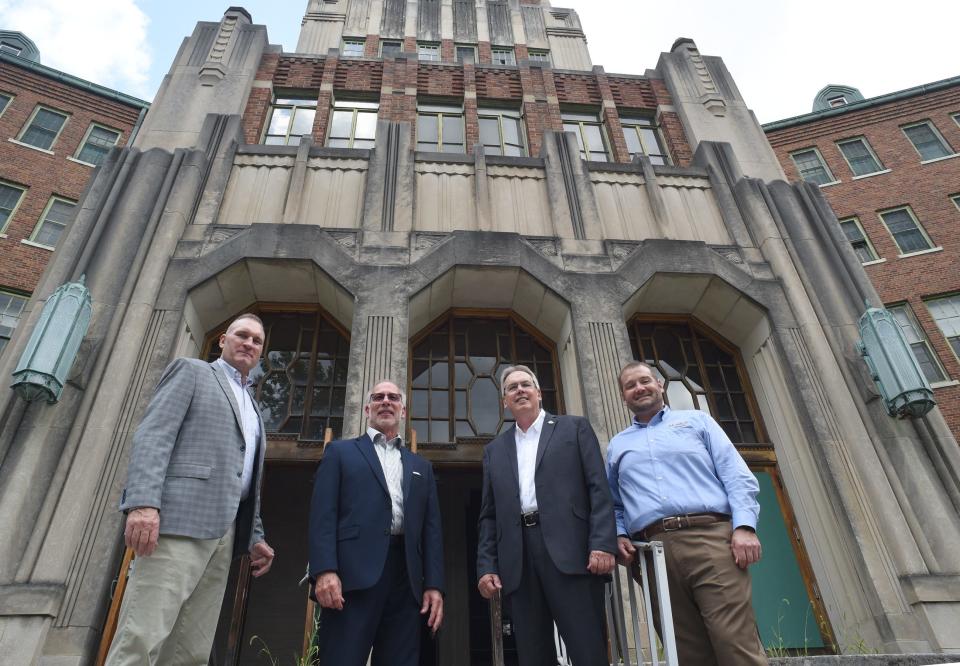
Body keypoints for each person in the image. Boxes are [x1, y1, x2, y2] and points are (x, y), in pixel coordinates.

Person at [108, 313, 275, 665]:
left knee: (190, 650)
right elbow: (154, 437)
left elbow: (244, 478)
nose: (248, 343)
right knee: (142, 635)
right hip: (177, 522)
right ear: (222, 340)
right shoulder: (192, 371)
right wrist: (143, 504)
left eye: (256, 341)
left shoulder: (255, 408)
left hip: (224, 536)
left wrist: (254, 535)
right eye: (241, 335)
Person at [608, 360, 767, 665]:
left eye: (644, 381)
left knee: (735, 642)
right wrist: (618, 534)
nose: (639, 388)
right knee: (684, 651)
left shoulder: (698, 422)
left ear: (660, 384)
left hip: (710, 537)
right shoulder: (617, 446)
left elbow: (736, 475)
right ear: (623, 396)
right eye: (630, 385)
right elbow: (614, 503)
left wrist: (744, 527)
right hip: (654, 550)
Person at [477, 364, 617, 666]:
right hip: (519, 559)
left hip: (573, 553)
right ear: (505, 402)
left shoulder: (574, 428)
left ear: (539, 392)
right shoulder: (494, 450)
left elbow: (599, 489)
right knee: (533, 655)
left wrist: (603, 543)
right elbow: (489, 515)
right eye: (511, 388)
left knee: (587, 650)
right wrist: (486, 565)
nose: (519, 391)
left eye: (525, 384)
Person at [308, 380, 444, 666]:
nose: (386, 401)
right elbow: (323, 515)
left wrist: (433, 585)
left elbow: (431, 532)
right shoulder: (340, 453)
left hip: (406, 582)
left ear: (403, 410)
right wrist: (324, 570)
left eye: (393, 397)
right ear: (367, 408)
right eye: (378, 397)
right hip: (351, 578)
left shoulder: (422, 467)